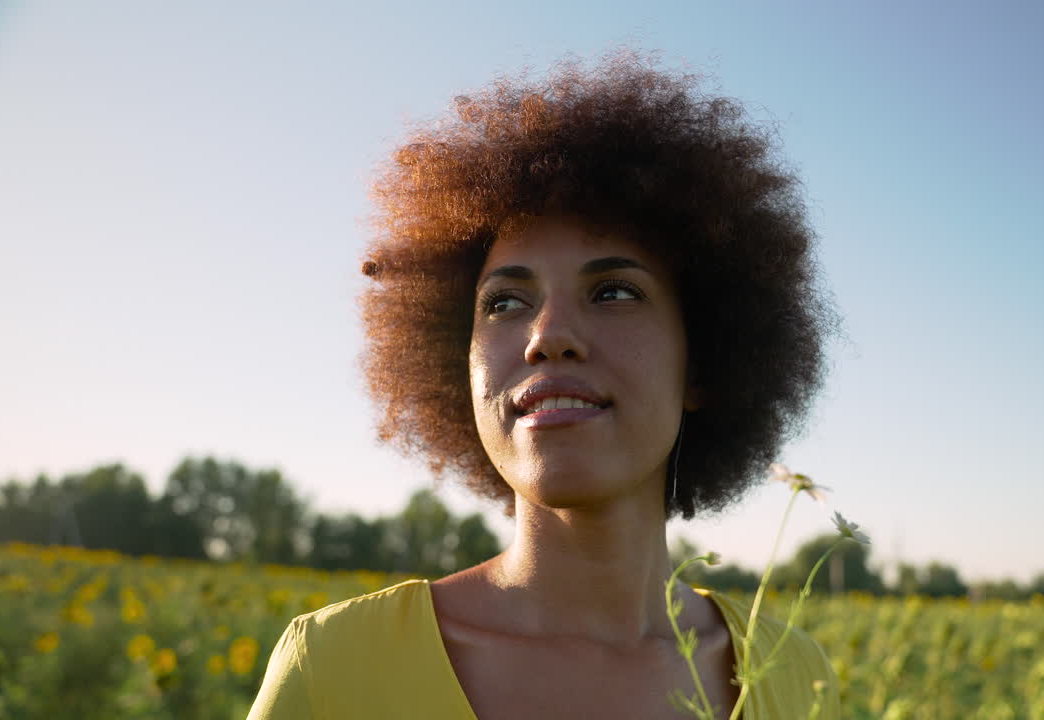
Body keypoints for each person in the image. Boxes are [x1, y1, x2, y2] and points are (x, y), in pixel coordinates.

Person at [247, 50, 840, 719]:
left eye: (613, 291)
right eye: (504, 303)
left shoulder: (795, 675)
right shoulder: (334, 668)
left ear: (701, 364)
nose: (547, 335)